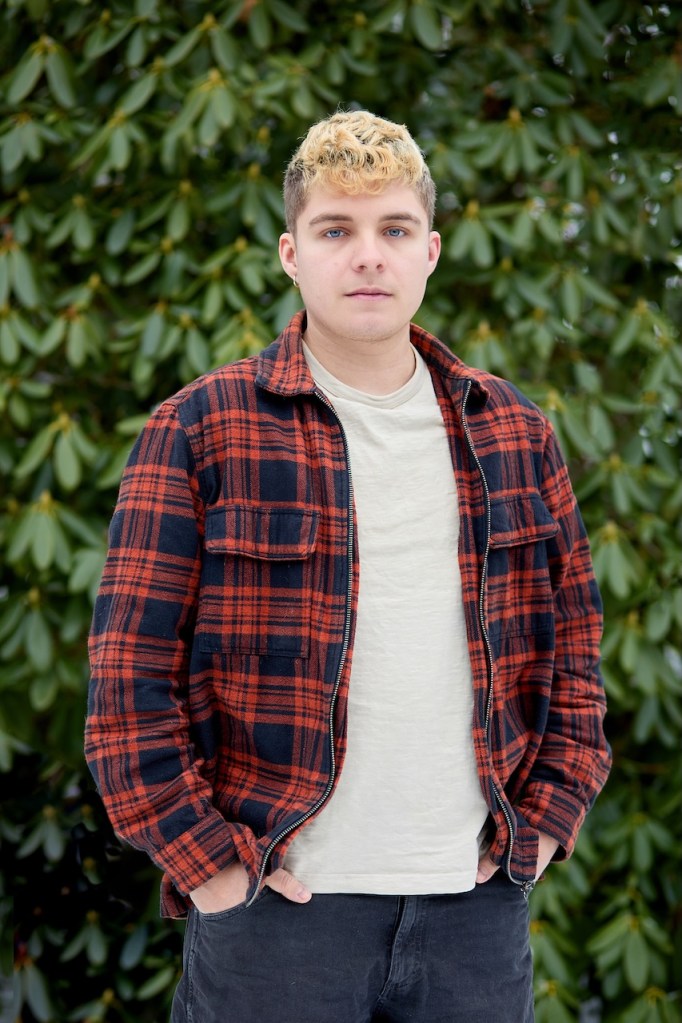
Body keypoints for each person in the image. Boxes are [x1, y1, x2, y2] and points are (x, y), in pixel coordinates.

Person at [85, 110, 611, 1023]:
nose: (369, 256)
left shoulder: (515, 432)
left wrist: (545, 826)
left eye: (394, 230)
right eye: (337, 230)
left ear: (431, 251)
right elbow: (128, 678)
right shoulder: (201, 428)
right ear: (292, 253)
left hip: (474, 915)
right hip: (275, 916)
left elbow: (575, 657)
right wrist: (207, 865)